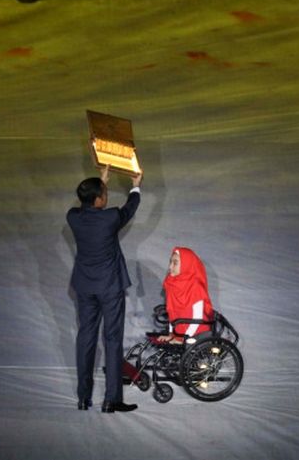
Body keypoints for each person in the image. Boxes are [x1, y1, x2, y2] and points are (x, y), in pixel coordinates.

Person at [67, 165, 142, 413]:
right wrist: (135, 185)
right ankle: (112, 399)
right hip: (109, 286)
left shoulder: (73, 217)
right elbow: (129, 209)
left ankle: (83, 397)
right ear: (100, 199)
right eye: (105, 194)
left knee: (85, 337)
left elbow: (85, 207)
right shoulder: (110, 218)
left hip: (84, 286)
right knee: (112, 339)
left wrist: (100, 182)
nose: (107, 197)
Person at [157, 247, 214, 344]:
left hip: (196, 333)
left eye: (175, 263)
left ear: (186, 264)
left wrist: (183, 339)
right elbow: (172, 314)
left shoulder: (195, 287)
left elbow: (197, 319)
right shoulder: (171, 284)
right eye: (170, 262)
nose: (170, 267)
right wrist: (171, 335)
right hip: (180, 332)